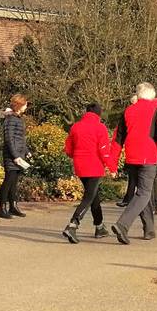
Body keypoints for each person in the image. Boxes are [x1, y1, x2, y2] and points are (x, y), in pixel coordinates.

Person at [109, 83, 157, 244]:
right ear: (151, 95)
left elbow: (117, 140)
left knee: (143, 192)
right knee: (143, 193)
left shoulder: (127, 111)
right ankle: (122, 225)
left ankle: (149, 229)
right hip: (148, 156)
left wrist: (112, 164)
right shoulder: (154, 110)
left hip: (131, 156)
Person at [62, 102, 119, 243]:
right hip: (94, 166)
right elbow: (104, 151)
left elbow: (69, 148)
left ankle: (99, 226)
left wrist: (76, 156)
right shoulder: (100, 127)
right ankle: (73, 224)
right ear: (99, 113)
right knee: (89, 197)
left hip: (80, 166)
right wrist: (112, 168)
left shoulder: (76, 126)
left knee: (94, 197)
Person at [0, 94, 31, 220]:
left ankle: (13, 206)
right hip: (12, 156)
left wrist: (26, 151)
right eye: (25, 104)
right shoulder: (11, 119)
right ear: (19, 104)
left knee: (14, 183)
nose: (26, 106)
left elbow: (20, 138)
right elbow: (9, 139)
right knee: (8, 181)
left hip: (19, 155)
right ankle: (2, 208)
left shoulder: (18, 119)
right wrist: (15, 156)